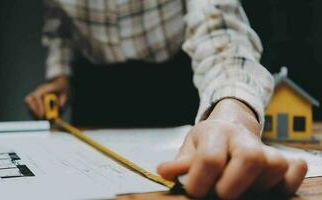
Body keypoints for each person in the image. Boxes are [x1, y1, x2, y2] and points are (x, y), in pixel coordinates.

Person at [25, 0, 307, 199]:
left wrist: (234, 114)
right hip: (96, 91)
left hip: (174, 85)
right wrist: (59, 76)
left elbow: (219, 30)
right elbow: (58, 20)